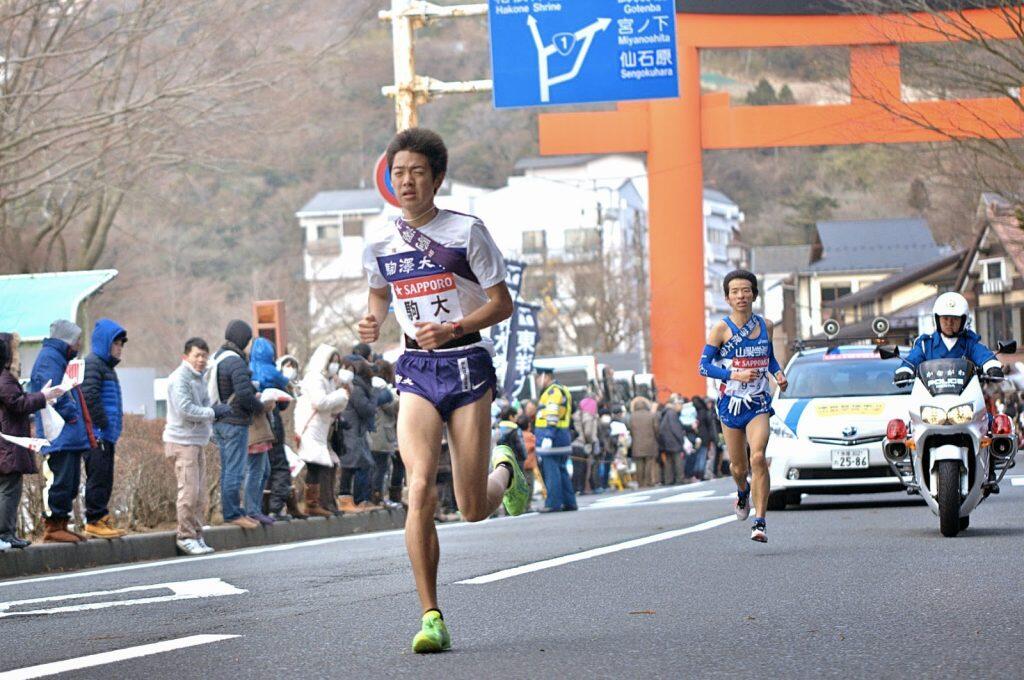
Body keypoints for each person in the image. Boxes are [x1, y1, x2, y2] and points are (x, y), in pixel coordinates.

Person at [358, 127, 527, 654]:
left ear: (437, 178)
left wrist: (454, 327)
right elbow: (379, 294)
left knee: (472, 507)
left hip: (467, 365)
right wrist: (372, 320)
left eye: (417, 172)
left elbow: (502, 304)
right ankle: (431, 615)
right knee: (419, 488)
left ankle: (506, 468)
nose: (407, 181)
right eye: (399, 173)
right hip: (415, 368)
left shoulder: (466, 232)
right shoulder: (380, 242)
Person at [698, 269, 787, 543]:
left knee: (757, 457)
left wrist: (778, 374)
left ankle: (760, 522)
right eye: (735, 292)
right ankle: (742, 491)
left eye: (746, 290)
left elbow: (769, 358)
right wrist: (733, 374)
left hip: (758, 402)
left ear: (754, 295)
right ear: (727, 298)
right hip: (731, 404)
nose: (741, 296)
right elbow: (703, 367)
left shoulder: (766, 326)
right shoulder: (721, 329)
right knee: (738, 467)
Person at [163, 337, 231, 555]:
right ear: (186, 356)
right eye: (197, 355)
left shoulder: (199, 377)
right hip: (182, 441)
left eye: (204, 356)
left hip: (196, 441)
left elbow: (204, 406)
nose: (201, 360)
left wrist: (215, 414)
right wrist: (212, 412)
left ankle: (197, 534)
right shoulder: (179, 378)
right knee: (189, 492)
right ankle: (185, 536)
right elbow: (185, 409)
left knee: (200, 494)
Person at [31, 320, 96, 543]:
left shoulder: (57, 357)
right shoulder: (50, 358)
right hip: (58, 432)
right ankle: (52, 526)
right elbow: (50, 391)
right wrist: (71, 412)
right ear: (67, 340)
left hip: (67, 433)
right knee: (59, 480)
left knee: (69, 482)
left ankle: (61, 524)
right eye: (77, 340)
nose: (79, 345)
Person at [0, 333, 64, 550]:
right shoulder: (4, 378)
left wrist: (40, 398)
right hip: (9, 445)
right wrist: (43, 396)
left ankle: (8, 534)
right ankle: (5, 534)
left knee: (9, 489)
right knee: (9, 490)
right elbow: (17, 403)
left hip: (7, 444)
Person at [209, 320, 264, 529]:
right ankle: (232, 513)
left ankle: (232, 511)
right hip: (235, 422)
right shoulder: (235, 361)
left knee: (227, 470)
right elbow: (243, 394)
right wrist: (260, 406)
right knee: (235, 470)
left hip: (220, 421)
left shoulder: (218, 357)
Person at [81, 318, 128, 539]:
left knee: (105, 478)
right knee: (98, 478)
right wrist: (103, 423)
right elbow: (89, 395)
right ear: (104, 342)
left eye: (121, 344)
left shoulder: (106, 366)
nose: (119, 348)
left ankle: (100, 517)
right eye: (115, 343)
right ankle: (94, 520)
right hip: (97, 434)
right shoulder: (93, 363)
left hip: (106, 435)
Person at [894, 292, 1002, 386]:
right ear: (937, 319)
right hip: (931, 398)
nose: (949, 323)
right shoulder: (925, 345)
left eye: (955, 319)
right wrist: (905, 370)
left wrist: (992, 367)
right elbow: (913, 359)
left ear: (963, 321)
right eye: (945, 318)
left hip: (965, 397)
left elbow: (983, 355)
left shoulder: (970, 343)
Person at [294, 345, 351, 518]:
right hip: (310, 427)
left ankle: (326, 502)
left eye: (337, 362)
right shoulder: (315, 378)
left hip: (322, 429)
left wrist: (342, 394)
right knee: (317, 464)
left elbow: (334, 406)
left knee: (327, 464)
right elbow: (320, 402)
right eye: (332, 361)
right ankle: (313, 503)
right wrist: (340, 395)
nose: (334, 365)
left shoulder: (329, 380)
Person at [250, 338, 292, 522]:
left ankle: (259, 507)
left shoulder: (247, 370)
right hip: (272, 422)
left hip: (254, 426)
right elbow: (284, 403)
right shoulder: (274, 374)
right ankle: (276, 507)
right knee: (279, 465)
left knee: (259, 467)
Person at [336, 355, 379, 512]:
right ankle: (356, 499)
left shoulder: (353, 387)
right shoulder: (358, 389)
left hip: (353, 430)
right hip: (353, 431)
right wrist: (375, 395)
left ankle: (352, 499)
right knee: (356, 465)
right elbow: (367, 409)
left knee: (355, 465)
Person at [534, 367, 577, 513]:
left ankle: (553, 503)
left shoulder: (553, 392)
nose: (537, 381)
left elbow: (552, 414)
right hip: (562, 436)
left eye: (538, 377)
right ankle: (569, 502)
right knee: (561, 470)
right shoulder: (563, 389)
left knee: (552, 472)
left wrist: (548, 436)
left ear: (546, 376)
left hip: (552, 438)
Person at [370, 360, 401, 508]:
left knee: (376, 467)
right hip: (381, 435)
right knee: (380, 468)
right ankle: (377, 496)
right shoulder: (382, 388)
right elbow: (393, 406)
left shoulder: (370, 385)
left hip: (373, 434)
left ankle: (376, 496)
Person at [629, 397, 660, 487]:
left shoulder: (632, 416)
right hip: (650, 442)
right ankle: (648, 481)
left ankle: (640, 482)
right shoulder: (651, 415)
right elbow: (656, 429)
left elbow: (630, 429)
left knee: (639, 464)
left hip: (637, 444)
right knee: (649, 463)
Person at [657, 397, 687, 486]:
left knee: (669, 462)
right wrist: (681, 440)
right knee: (678, 461)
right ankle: (679, 479)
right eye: (680, 404)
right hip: (674, 441)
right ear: (675, 404)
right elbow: (675, 429)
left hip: (666, 441)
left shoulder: (666, 413)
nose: (681, 407)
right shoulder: (672, 413)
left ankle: (668, 480)